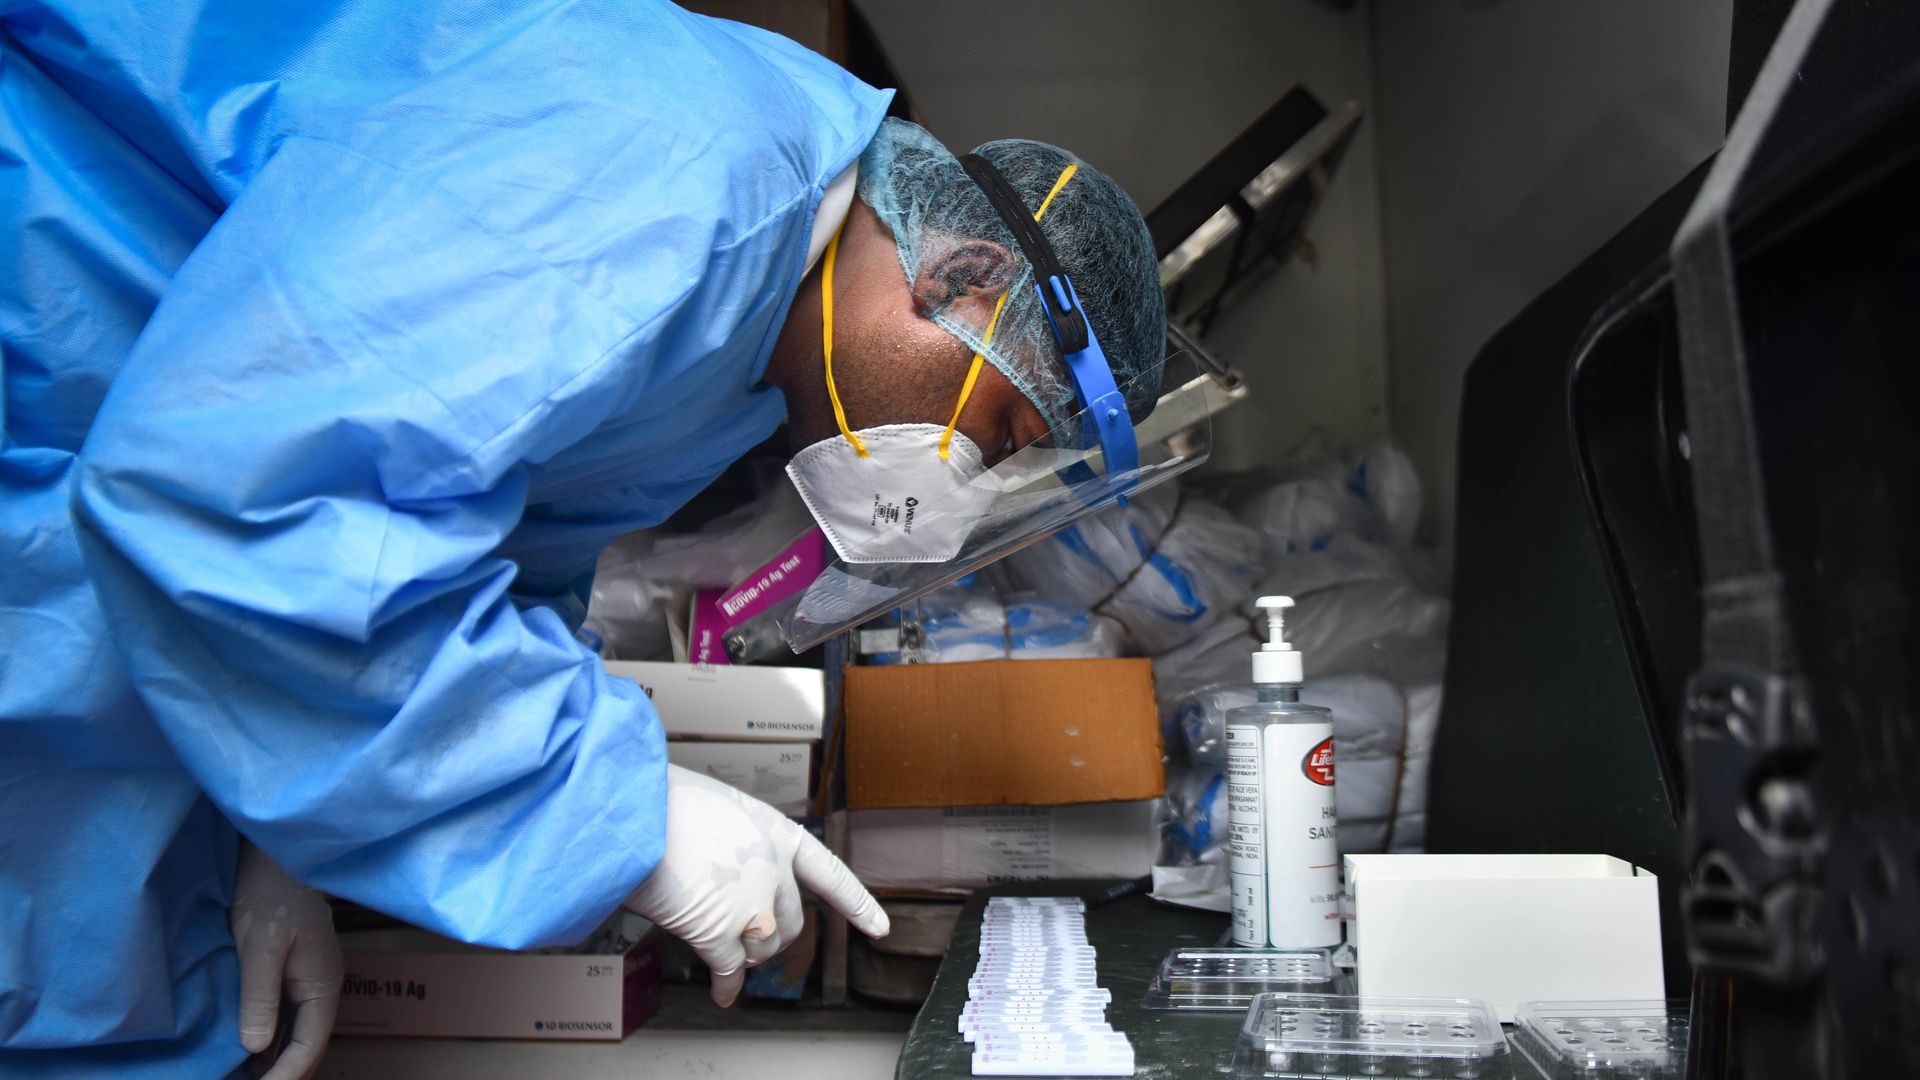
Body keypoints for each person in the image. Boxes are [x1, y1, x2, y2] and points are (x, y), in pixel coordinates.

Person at [0, 0, 1165, 1076]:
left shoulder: (746, 358)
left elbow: (493, 557)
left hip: (107, 494)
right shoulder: (668, 168)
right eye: (997, 429)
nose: (961, 485)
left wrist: (289, 837)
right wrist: (611, 808)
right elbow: (240, 490)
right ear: (963, 276)